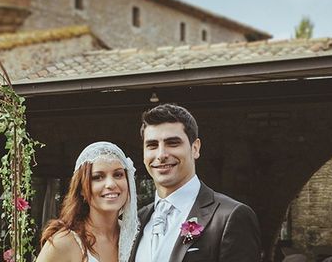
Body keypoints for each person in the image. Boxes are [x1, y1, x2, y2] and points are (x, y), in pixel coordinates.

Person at [130, 104, 261, 262]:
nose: (161, 154)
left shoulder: (230, 216)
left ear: (195, 148)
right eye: (152, 145)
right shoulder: (137, 220)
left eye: (173, 143)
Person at [36, 141, 140, 262]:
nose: (111, 184)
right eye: (98, 177)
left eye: (118, 174)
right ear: (82, 189)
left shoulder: (137, 237)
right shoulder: (63, 243)